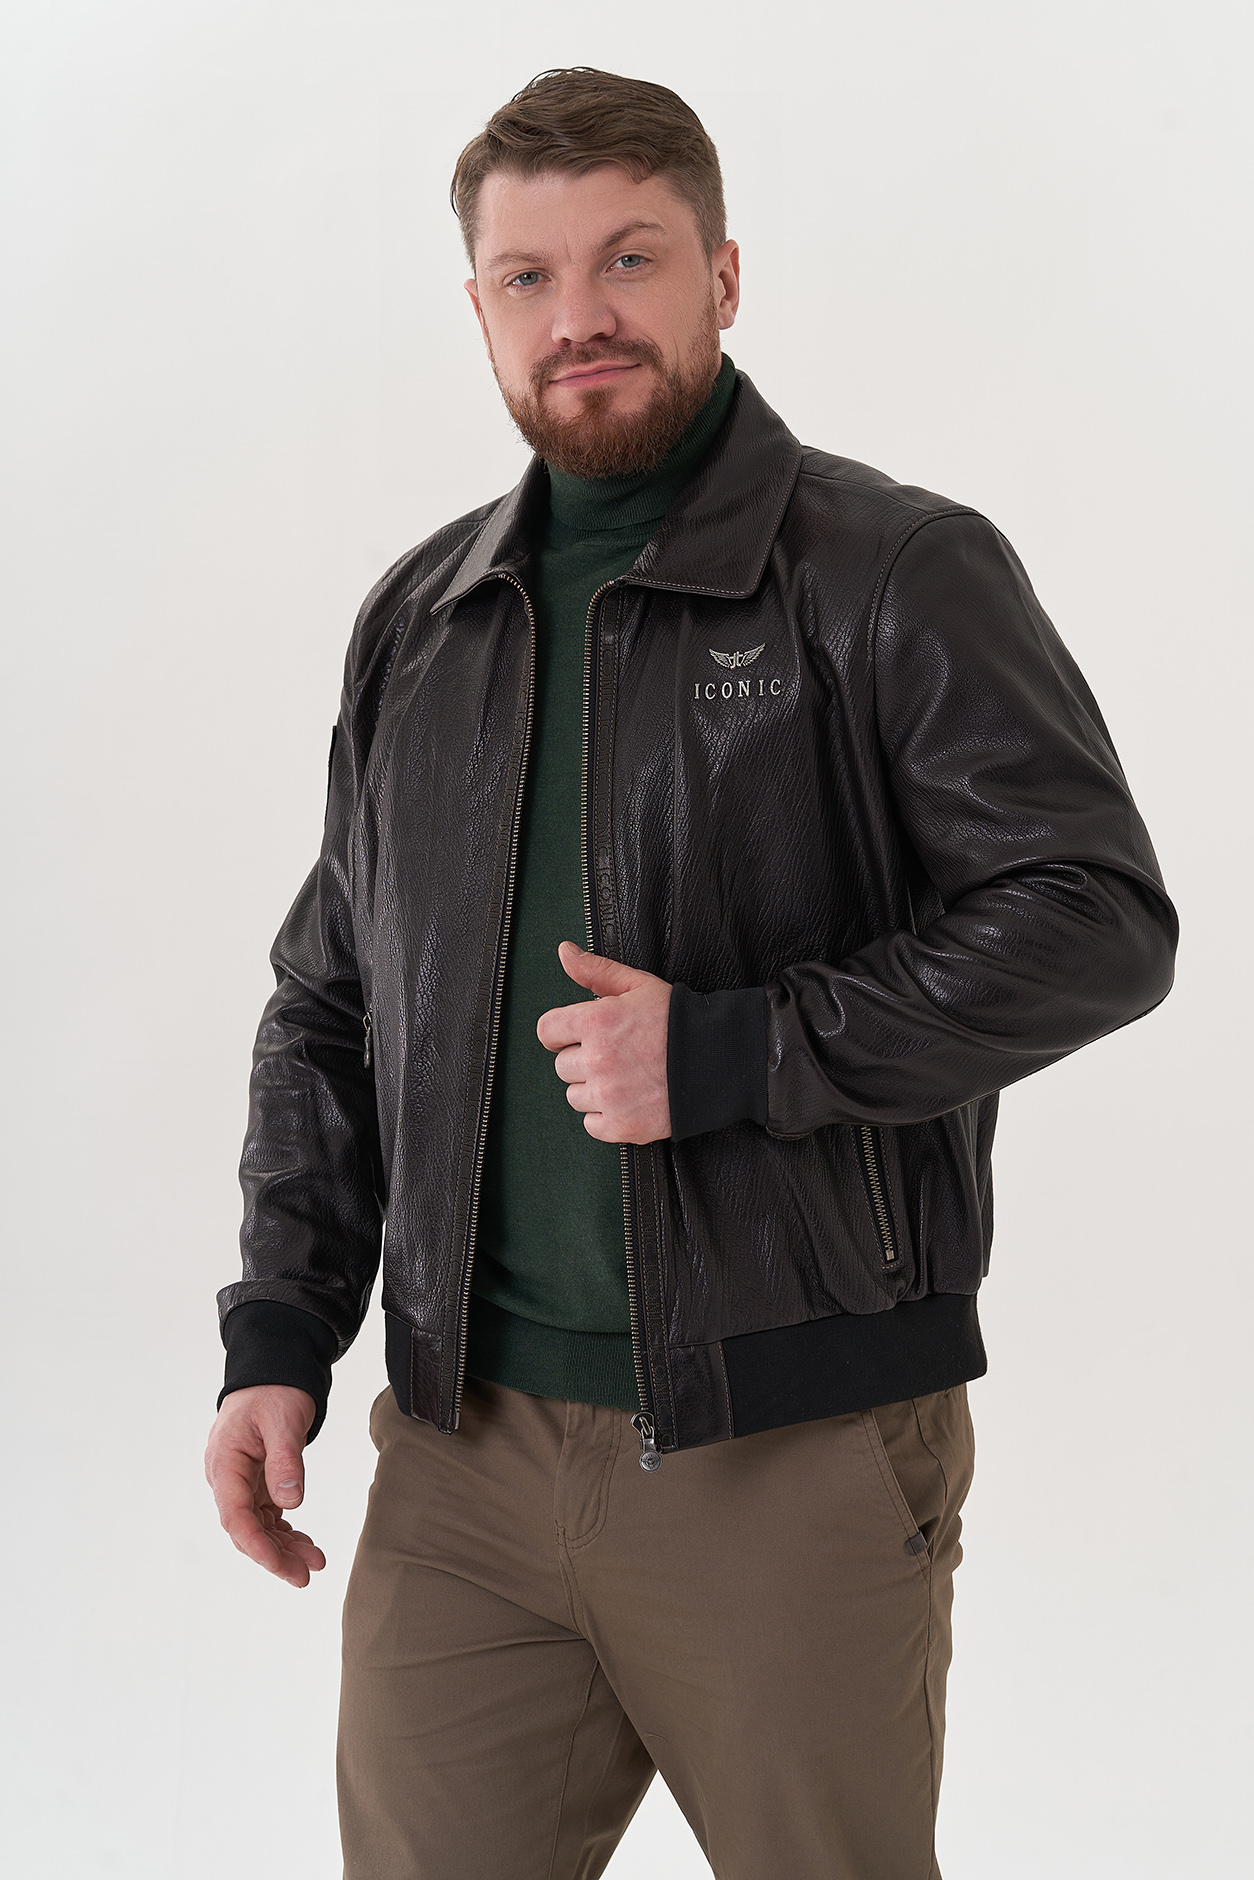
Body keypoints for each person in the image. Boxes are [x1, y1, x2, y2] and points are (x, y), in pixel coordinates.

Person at [204, 66, 1177, 1880]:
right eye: (529, 276)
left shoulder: (890, 571)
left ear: (722, 275)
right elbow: (331, 1002)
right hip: (461, 1458)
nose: (578, 314)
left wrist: (739, 1052)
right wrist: (280, 1331)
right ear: (480, 307)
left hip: (787, 1444)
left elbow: (1093, 916)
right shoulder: (423, 620)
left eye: (629, 258)